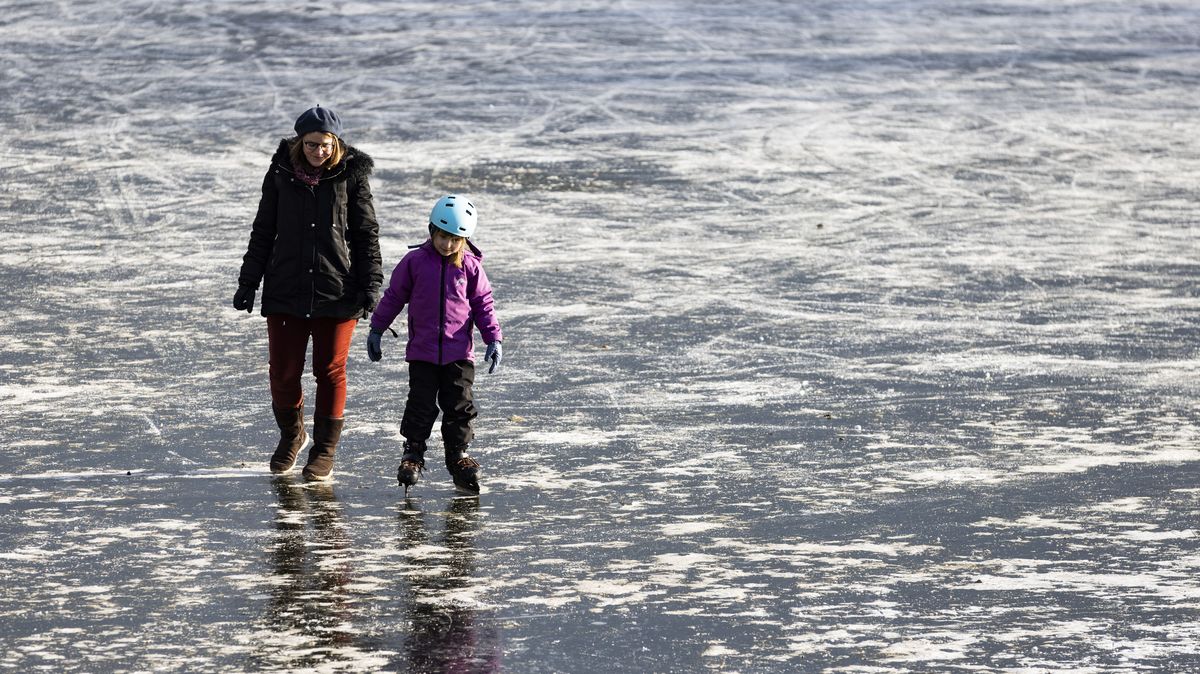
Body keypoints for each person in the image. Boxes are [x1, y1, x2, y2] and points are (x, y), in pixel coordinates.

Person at [233, 106, 382, 481]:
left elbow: (365, 234)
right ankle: (291, 435)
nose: (319, 152)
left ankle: (325, 449)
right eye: (312, 145)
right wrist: (248, 281)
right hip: (286, 286)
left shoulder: (351, 176)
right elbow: (264, 229)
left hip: (338, 289)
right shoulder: (281, 173)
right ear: (300, 142)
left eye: (326, 146)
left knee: (330, 370)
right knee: (283, 372)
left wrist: (371, 284)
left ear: (337, 144)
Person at [367, 195, 503, 495]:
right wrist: (377, 327)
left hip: (458, 353)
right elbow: (394, 296)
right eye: (443, 236)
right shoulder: (414, 262)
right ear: (432, 231)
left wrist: (493, 337)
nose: (447, 245)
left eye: (456, 239)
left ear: (465, 240)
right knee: (421, 405)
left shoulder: (471, 268)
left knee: (459, 407)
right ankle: (413, 454)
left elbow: (483, 305)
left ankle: (458, 457)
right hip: (423, 353)